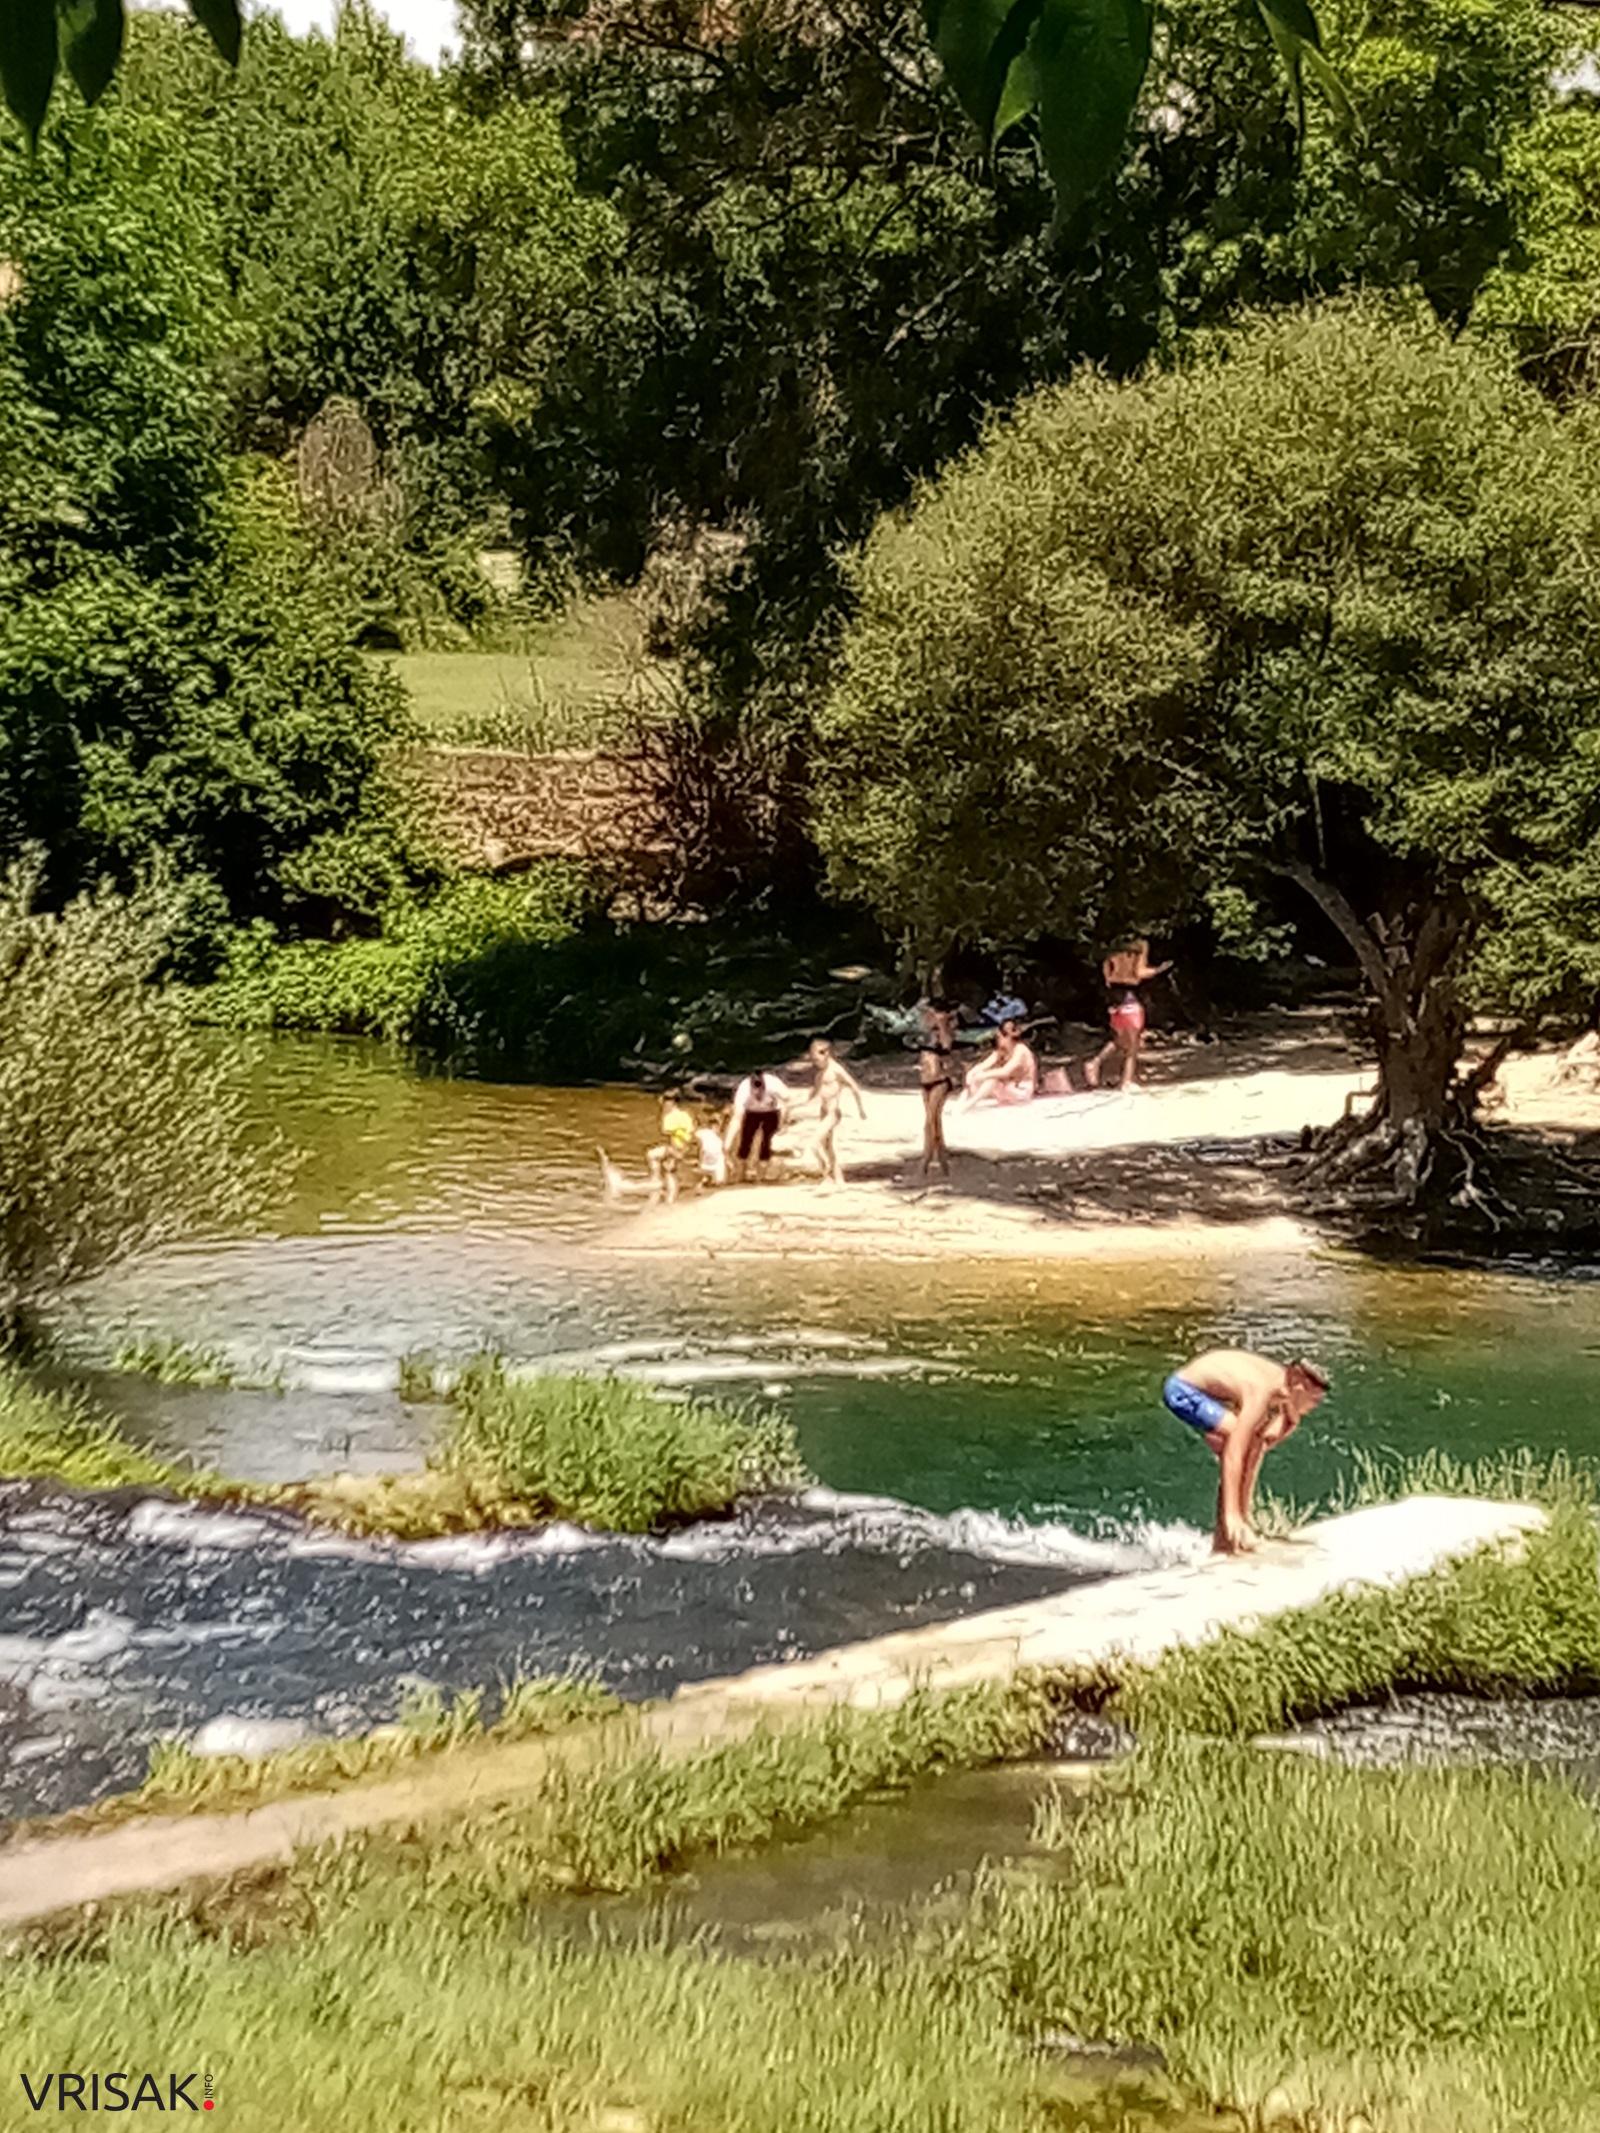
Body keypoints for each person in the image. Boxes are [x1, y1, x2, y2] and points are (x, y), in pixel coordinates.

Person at [1161, 1349, 1329, 1556]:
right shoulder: (1261, 1391)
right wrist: (1233, 1514)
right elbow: (1235, 1450)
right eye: (1313, 1400)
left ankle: (1229, 1536)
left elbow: (1264, 1442)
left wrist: (1289, 1423)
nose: (1314, 1407)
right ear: (1297, 1382)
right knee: (1239, 1441)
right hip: (1183, 1390)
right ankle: (1233, 1524)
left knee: (1252, 1444)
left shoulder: (1283, 1391)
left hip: (1210, 1394)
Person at [1086, 937, 1171, 1091]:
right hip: (1130, 997)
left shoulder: (1112, 951)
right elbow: (1139, 972)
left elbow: (1107, 976)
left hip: (1114, 998)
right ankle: (1126, 1081)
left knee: (1120, 1040)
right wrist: (1158, 970)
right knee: (1132, 1045)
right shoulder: (1139, 947)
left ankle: (1096, 1062)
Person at [801, 1037, 867, 1185]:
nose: (815, 1062)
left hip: (832, 1113)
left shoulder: (836, 1070)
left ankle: (826, 1174)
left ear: (826, 1053)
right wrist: (792, 1104)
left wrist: (861, 1109)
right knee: (828, 1147)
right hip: (823, 1112)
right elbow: (812, 1094)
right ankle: (839, 1178)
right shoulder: (820, 1074)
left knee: (814, 1143)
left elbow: (854, 1087)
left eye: (817, 1058)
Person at [914, 999, 961, 1180]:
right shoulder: (927, 1033)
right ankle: (943, 1163)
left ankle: (924, 1163)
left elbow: (947, 1046)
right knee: (935, 1123)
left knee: (930, 1122)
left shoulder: (946, 1030)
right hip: (926, 1079)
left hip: (940, 1079)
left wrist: (942, 1024)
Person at [726, 1068, 790, 1182]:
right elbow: (737, 1117)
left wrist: (783, 1122)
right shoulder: (744, 1089)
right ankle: (741, 1174)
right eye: (755, 1091)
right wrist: (727, 1143)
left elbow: (787, 1100)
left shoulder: (773, 1084)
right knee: (745, 1141)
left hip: (771, 1111)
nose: (758, 1093)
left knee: (766, 1142)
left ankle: (762, 1175)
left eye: (760, 1090)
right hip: (751, 1113)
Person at [962, 1018, 1039, 1109]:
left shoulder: (1021, 1050)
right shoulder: (1001, 1052)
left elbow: (1005, 1072)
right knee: (976, 1079)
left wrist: (982, 1075)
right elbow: (983, 1065)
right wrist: (972, 1073)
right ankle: (963, 1101)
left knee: (992, 1080)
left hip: (1022, 1090)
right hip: (1009, 1087)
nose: (997, 1040)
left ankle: (969, 1105)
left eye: (999, 1037)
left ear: (1006, 1037)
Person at [646, 1092, 697, 1202]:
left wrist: (663, 1112)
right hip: (685, 1147)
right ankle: (671, 1196)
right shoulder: (685, 1115)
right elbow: (691, 1135)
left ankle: (656, 1182)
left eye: (665, 1102)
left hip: (675, 1147)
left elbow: (666, 1132)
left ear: (670, 1102)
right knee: (669, 1170)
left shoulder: (669, 1117)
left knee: (652, 1155)